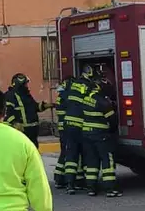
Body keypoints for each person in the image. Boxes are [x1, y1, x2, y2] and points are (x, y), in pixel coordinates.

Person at [81, 77, 122, 198]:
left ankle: (91, 188)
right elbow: (113, 120)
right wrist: (112, 131)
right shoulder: (103, 102)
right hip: (101, 136)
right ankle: (110, 189)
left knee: (92, 162)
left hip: (87, 135)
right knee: (107, 161)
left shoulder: (86, 99)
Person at [62, 65, 96, 195]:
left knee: (71, 154)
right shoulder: (90, 86)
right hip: (81, 124)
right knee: (86, 153)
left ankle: (70, 184)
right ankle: (89, 184)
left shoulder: (74, 84)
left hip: (68, 123)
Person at [4, 73, 51, 148]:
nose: (27, 86)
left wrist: (44, 106)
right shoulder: (10, 95)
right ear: (19, 83)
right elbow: (7, 113)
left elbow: (34, 107)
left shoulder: (26, 95)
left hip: (32, 132)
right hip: (21, 132)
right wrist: (14, 123)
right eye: (25, 84)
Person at [52, 76, 73, 189]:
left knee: (64, 153)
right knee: (68, 153)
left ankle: (59, 177)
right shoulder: (67, 97)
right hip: (67, 128)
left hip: (62, 129)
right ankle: (68, 179)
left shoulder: (61, 96)